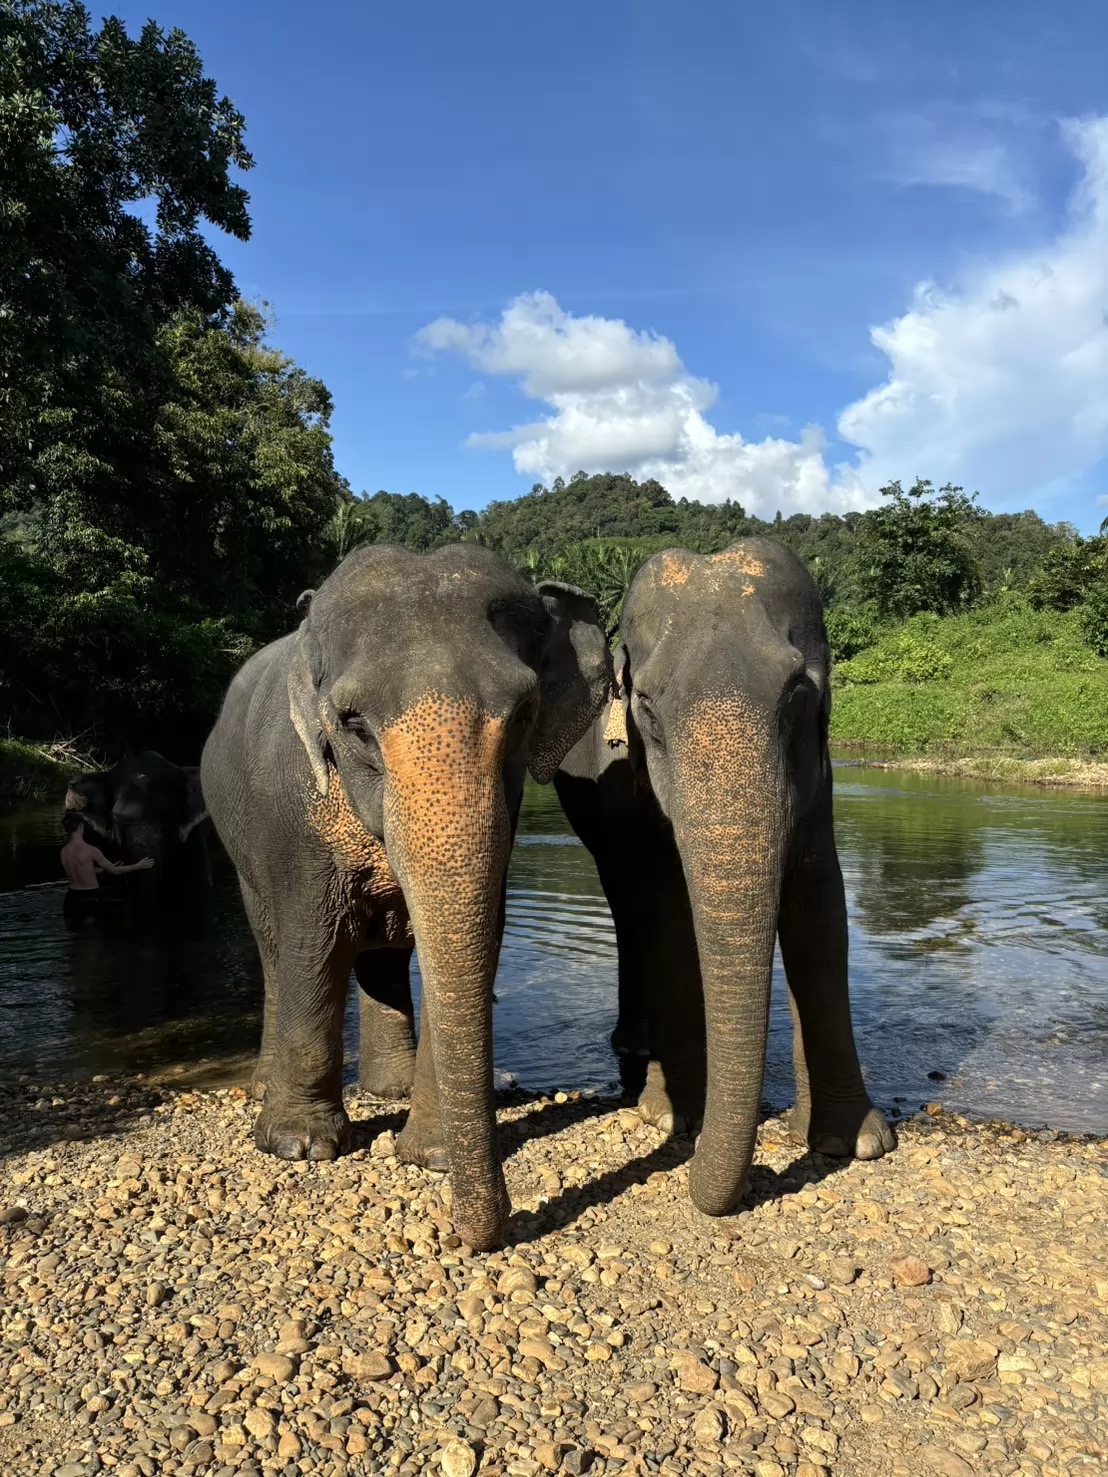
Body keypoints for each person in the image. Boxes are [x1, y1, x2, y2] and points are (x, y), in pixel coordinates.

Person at [60, 812, 155, 923]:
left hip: (71, 898)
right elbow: (114, 871)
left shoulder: (64, 851)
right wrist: (139, 866)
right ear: (80, 826)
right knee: (93, 936)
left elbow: (81, 870)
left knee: (75, 934)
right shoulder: (91, 850)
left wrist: (104, 869)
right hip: (90, 897)